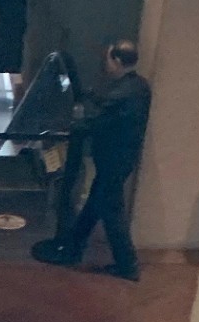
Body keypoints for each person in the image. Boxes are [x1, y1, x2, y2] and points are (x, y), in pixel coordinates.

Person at [32, 39, 152, 281]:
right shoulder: (137, 86)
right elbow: (104, 102)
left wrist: (73, 125)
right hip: (118, 160)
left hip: (113, 162)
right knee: (95, 205)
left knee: (111, 212)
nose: (105, 64)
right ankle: (74, 247)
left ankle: (127, 265)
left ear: (117, 60)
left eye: (108, 59)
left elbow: (100, 116)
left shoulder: (125, 92)